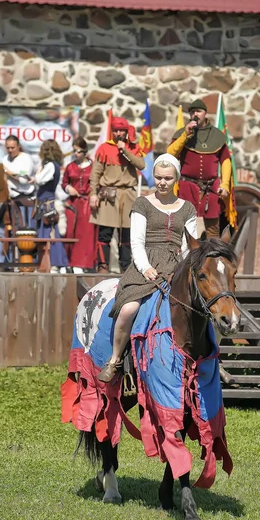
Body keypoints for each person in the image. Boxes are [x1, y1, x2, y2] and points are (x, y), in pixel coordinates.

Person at [98, 153, 197, 383]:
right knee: (128, 309)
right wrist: (145, 268)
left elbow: (188, 247)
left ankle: (209, 359)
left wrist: (182, 272)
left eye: (168, 178)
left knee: (204, 309)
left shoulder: (188, 209)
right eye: (159, 177)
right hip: (146, 265)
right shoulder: (142, 203)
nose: (162, 182)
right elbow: (136, 242)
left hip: (176, 268)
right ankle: (115, 360)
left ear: (176, 179)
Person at [167, 98, 233, 239]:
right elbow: (170, 154)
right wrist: (185, 135)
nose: (195, 114)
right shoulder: (182, 133)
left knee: (213, 231)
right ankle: (186, 259)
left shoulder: (217, 135)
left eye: (198, 111)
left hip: (211, 188)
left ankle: (212, 260)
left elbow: (226, 161)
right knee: (186, 230)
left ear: (205, 113)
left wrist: (225, 184)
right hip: (188, 187)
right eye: (192, 112)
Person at [89, 117, 145, 273]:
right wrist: (93, 194)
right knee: (105, 234)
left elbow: (141, 165)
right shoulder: (104, 148)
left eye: (122, 130)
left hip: (127, 195)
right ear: (112, 131)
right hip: (108, 195)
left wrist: (125, 150)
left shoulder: (133, 147)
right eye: (116, 130)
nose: (119, 133)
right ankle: (103, 266)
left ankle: (125, 267)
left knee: (126, 236)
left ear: (126, 131)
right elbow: (95, 173)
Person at [33, 140, 68, 273]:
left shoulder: (51, 166)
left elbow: (40, 179)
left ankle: (56, 263)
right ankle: (46, 263)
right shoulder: (52, 165)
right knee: (45, 233)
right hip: (44, 203)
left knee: (51, 234)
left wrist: (38, 172)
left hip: (48, 203)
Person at [62, 137, 95, 274]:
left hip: (87, 203)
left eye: (79, 151)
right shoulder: (70, 167)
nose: (76, 154)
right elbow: (64, 183)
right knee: (69, 232)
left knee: (85, 234)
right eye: (74, 151)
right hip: (72, 203)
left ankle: (81, 263)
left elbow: (97, 182)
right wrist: (68, 188)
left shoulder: (93, 166)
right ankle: (67, 262)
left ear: (85, 152)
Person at [2, 135, 35, 228]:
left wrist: (7, 171)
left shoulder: (26, 159)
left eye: (12, 147)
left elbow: (24, 178)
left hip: (25, 200)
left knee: (25, 229)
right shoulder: (5, 159)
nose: (10, 150)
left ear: (18, 146)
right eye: (8, 148)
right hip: (10, 199)